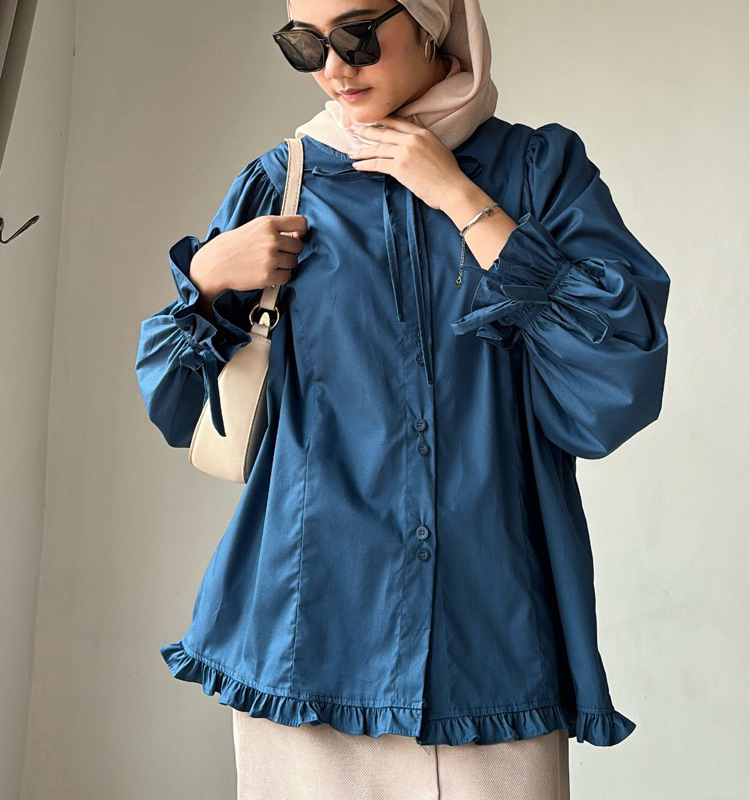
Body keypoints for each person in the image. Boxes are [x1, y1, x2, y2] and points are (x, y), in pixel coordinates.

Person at [134, 0, 671, 797]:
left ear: (430, 20)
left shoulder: (537, 173)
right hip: (306, 640)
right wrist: (206, 280)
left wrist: (460, 198)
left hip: (491, 643)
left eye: (356, 36)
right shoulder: (281, 184)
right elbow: (177, 405)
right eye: (305, 44)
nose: (333, 68)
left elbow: (618, 374)